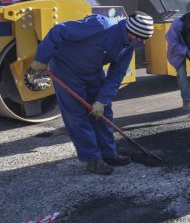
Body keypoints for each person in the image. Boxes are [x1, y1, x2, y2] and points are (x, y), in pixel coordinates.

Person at [27, 11, 154, 175]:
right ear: (130, 31)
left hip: (93, 72)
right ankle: (92, 159)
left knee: (103, 113)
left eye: (144, 40)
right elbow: (59, 31)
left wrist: (102, 100)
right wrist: (41, 59)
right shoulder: (100, 25)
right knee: (77, 116)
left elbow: (116, 76)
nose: (140, 43)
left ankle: (108, 153)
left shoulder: (128, 47)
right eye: (139, 39)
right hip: (66, 69)